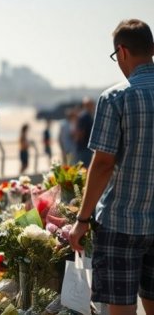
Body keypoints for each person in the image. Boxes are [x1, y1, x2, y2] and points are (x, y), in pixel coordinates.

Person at [70, 19, 154, 315]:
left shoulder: (116, 96)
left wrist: (81, 220)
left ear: (121, 51)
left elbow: (103, 164)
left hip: (121, 224)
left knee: (121, 308)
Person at [73, 97, 95, 167]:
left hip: (85, 148)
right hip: (84, 148)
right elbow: (80, 133)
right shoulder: (85, 116)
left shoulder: (87, 116)